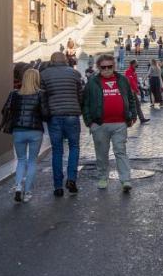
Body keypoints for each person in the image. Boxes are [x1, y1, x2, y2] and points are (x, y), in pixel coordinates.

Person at [82, 53, 137, 193]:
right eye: (103, 67)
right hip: (99, 124)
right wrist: (90, 122)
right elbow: (85, 103)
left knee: (121, 151)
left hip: (120, 123)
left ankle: (125, 179)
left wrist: (132, 115)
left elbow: (130, 98)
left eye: (109, 66)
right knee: (101, 153)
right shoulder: (92, 82)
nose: (106, 69)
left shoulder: (122, 80)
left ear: (114, 66)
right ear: (98, 68)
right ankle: (102, 177)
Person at [40, 52, 83, 198]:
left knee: (57, 151)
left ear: (51, 61)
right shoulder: (74, 73)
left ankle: (58, 186)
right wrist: (79, 108)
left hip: (54, 116)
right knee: (74, 147)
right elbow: (80, 94)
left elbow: (42, 97)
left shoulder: (44, 74)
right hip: (72, 114)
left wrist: (46, 114)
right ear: (66, 60)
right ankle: (72, 178)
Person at [4, 67, 49, 203]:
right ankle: (27, 192)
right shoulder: (41, 94)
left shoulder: (14, 94)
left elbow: (6, 110)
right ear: (36, 79)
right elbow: (46, 114)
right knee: (32, 161)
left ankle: (18, 186)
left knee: (21, 160)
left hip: (18, 131)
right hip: (35, 131)